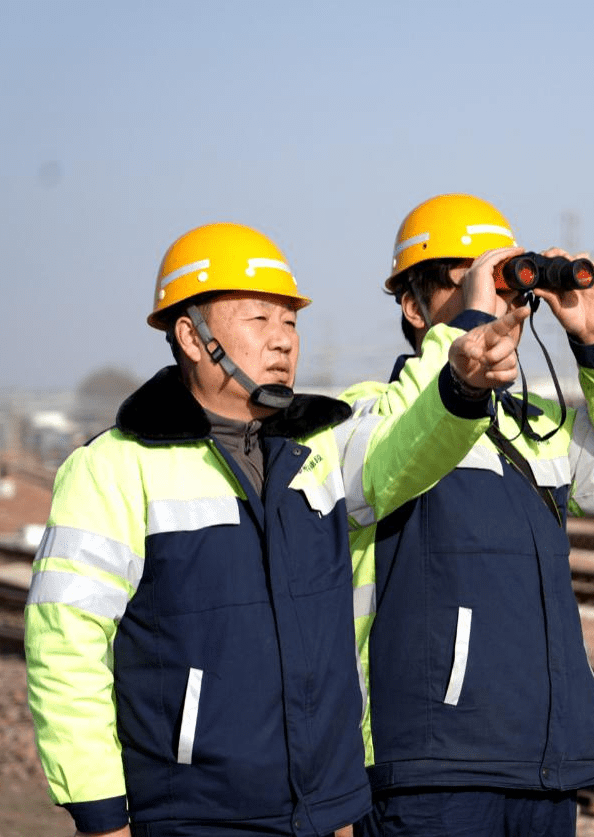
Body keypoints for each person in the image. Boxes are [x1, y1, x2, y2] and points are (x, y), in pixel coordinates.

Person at [335, 193, 594, 837]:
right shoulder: (366, 413)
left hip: (542, 762)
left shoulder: (537, 428)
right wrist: (463, 341)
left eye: (501, 282)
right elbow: (382, 467)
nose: (495, 300)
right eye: (465, 280)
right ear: (413, 306)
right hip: (429, 765)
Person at [24, 223, 372, 837]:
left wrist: (341, 804)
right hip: (191, 816)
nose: (283, 339)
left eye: (290, 321)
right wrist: (100, 812)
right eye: (258, 319)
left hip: (324, 811)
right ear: (191, 336)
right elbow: (65, 646)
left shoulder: (316, 454)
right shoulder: (114, 467)